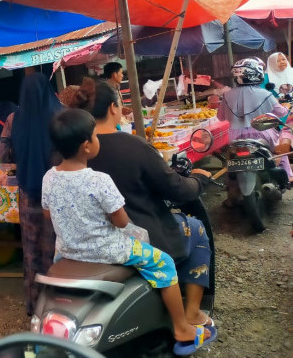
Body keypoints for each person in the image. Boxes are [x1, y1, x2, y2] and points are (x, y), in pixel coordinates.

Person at [42, 109, 215, 355]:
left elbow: (48, 214)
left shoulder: (49, 177)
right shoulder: (99, 180)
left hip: (67, 250)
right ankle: (181, 326)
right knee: (164, 262)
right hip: (108, 250)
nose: (97, 140)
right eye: (95, 136)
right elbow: (122, 221)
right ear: (86, 146)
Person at [70, 79, 216, 328]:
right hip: (139, 236)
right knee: (197, 229)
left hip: (87, 239)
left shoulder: (70, 151)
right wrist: (199, 180)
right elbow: (177, 188)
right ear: (114, 108)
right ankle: (191, 313)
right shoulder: (133, 146)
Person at [0, 72, 61, 314]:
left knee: (32, 249)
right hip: (57, 192)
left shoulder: (13, 119)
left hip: (27, 192)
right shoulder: (60, 116)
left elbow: (4, 157)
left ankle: (35, 305)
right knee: (57, 247)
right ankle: (58, 305)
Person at [218, 58, 293, 184]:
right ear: (256, 74)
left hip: (235, 136)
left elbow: (220, 117)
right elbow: (282, 113)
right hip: (262, 134)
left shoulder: (227, 95)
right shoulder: (265, 94)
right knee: (280, 146)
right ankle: (288, 176)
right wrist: (286, 106)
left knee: (231, 158)